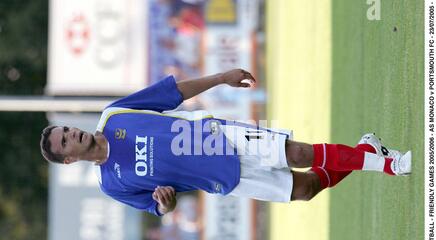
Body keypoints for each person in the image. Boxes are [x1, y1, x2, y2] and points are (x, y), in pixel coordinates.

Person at [40, 69, 412, 216]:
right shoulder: (112, 185)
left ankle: (389, 164)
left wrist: (221, 78)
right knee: (306, 188)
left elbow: (172, 93)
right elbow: (158, 210)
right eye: (66, 141)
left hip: (213, 138)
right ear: (69, 160)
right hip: (220, 180)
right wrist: (167, 203)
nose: (73, 134)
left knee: (299, 153)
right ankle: (366, 151)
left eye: (68, 130)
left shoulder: (114, 114)